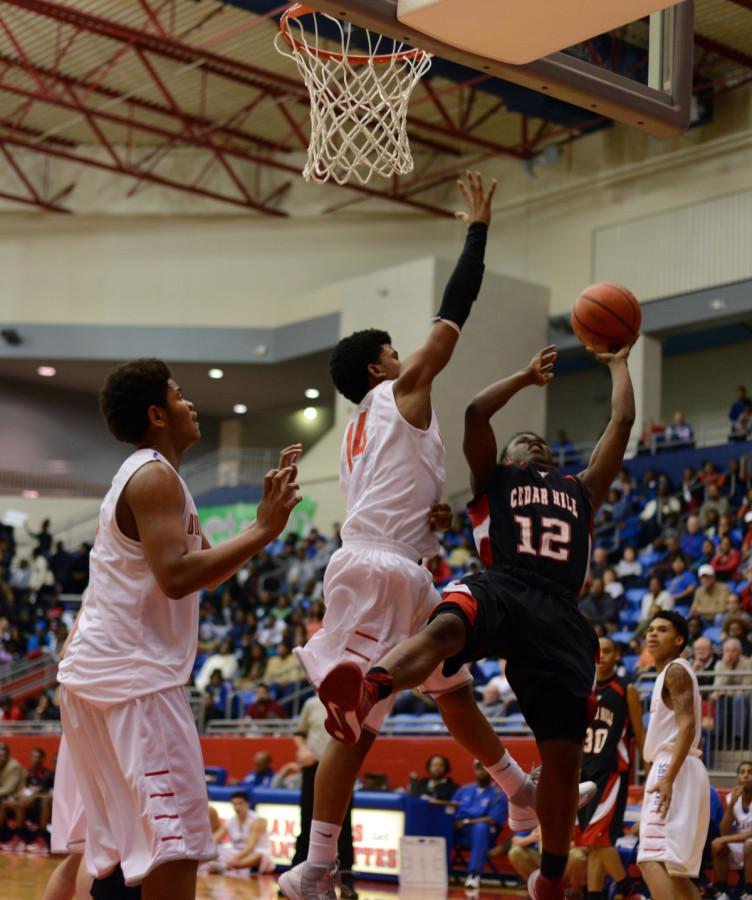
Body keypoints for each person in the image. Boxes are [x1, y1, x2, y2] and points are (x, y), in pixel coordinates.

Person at [281, 174, 556, 900]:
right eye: (396, 350)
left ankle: (517, 788)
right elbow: (455, 309)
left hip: (400, 563)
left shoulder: (369, 428)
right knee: (358, 727)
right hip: (380, 569)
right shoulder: (399, 392)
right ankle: (318, 866)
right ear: (380, 366)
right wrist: (478, 230)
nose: (410, 355)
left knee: (453, 695)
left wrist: (432, 518)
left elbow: (398, 492)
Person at [319, 337, 634, 900]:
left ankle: (552, 877)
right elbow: (475, 412)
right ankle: (368, 690)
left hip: (561, 615)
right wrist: (523, 378)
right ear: (508, 458)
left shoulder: (581, 489)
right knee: (442, 626)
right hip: (504, 586)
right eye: (523, 440)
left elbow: (621, 422)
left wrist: (620, 365)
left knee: (563, 755)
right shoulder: (494, 479)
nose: (533, 442)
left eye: (539, 440)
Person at [55, 358, 302, 899]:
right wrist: (263, 528)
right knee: (177, 849)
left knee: (117, 854)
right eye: (180, 394)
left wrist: (262, 525)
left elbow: (206, 570)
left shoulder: (156, 479)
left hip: (98, 678)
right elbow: (176, 578)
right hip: (133, 684)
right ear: (156, 414)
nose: (190, 403)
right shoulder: (152, 477)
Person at [637, 611, 710, 900]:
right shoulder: (668, 673)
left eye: (662, 630)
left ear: (679, 640)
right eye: (650, 629)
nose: (652, 634)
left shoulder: (676, 671)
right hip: (677, 768)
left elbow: (688, 727)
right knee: (675, 872)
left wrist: (667, 778)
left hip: (674, 768)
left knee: (650, 861)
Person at [575, 636, 645, 900]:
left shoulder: (625, 688)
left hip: (611, 772)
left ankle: (628, 890)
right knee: (592, 845)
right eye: (598, 651)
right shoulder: (584, 687)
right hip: (583, 772)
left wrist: (650, 774)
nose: (601, 655)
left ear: (617, 656)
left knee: (597, 840)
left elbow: (639, 733)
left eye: (607, 651)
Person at [289, 695, 358, 899]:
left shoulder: (351, 701)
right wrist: (303, 750)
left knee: (344, 826)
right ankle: (298, 875)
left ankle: (346, 881)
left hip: (341, 768)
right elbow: (299, 734)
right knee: (307, 822)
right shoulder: (311, 703)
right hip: (313, 768)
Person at [451, 760, 508, 890]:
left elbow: (492, 819)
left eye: (485, 767)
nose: (481, 770)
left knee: (481, 828)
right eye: (478, 767)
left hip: (484, 835)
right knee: (442, 826)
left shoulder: (498, 794)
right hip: (460, 831)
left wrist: (466, 822)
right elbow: (450, 810)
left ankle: (473, 875)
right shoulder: (463, 790)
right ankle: (438, 871)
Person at [711, 759, 752, 900]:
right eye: (742, 772)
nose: (746, 775)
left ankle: (749, 892)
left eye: (750, 772)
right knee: (719, 845)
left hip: (749, 845)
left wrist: (725, 838)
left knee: (749, 845)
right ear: (738, 778)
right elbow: (724, 831)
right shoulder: (731, 798)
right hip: (741, 843)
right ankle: (722, 892)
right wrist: (731, 805)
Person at [209, 791, 274, 876]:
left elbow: (250, 847)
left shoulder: (258, 820)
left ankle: (227, 866)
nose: (237, 807)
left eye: (240, 804)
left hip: (252, 853)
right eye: (234, 804)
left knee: (259, 854)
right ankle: (223, 865)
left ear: (247, 804)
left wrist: (233, 860)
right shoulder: (230, 821)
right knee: (216, 847)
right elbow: (214, 840)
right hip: (237, 853)